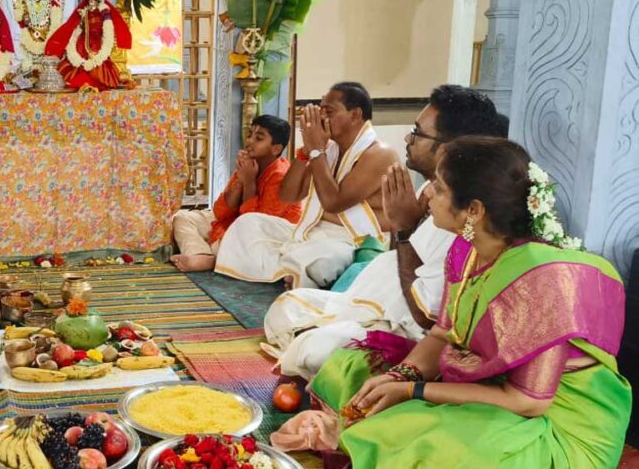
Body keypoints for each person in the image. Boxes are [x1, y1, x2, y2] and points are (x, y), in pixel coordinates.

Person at [300, 137, 630, 467]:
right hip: (489, 389)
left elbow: (527, 400)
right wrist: (400, 377)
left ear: (473, 209)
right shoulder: (465, 251)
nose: (427, 193)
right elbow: (443, 335)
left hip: (556, 425)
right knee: (354, 367)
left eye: (439, 188)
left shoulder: (542, 284)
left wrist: (414, 391)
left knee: (438, 445)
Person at [261, 85, 506, 379]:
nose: (407, 138)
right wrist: (310, 150)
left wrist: (403, 228)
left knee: (316, 350)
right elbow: (289, 196)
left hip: (397, 320)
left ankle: (318, 341)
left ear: (446, 149)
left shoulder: (465, 214)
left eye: (416, 133)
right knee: (285, 307)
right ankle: (317, 336)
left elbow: (425, 316)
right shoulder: (430, 191)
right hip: (369, 297)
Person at [215, 82, 399, 288]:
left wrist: (317, 152)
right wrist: (305, 152)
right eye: (321, 111)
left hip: (352, 239)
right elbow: (289, 195)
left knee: (323, 260)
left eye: (329, 112)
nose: (321, 118)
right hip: (313, 229)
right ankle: (291, 270)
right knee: (248, 224)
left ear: (355, 115)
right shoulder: (329, 148)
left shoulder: (380, 153)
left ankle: (292, 270)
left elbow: (333, 203)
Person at [170, 115, 302, 272]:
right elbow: (220, 211)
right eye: (249, 135)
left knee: (239, 243)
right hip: (235, 224)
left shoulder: (281, 176)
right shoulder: (249, 163)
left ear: (276, 149)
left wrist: (249, 181)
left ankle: (215, 260)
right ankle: (203, 255)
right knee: (183, 218)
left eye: (258, 138)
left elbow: (253, 226)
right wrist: (240, 180)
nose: (250, 142)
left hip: (268, 239)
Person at [45, 0, 133, 90]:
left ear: (97, 1)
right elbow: (76, 28)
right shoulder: (83, 12)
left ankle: (94, 82)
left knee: (97, 63)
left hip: (96, 44)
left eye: (93, 0)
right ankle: (80, 80)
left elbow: (107, 32)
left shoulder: (103, 12)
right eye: (89, 0)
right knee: (76, 65)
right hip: (82, 43)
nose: (91, 2)